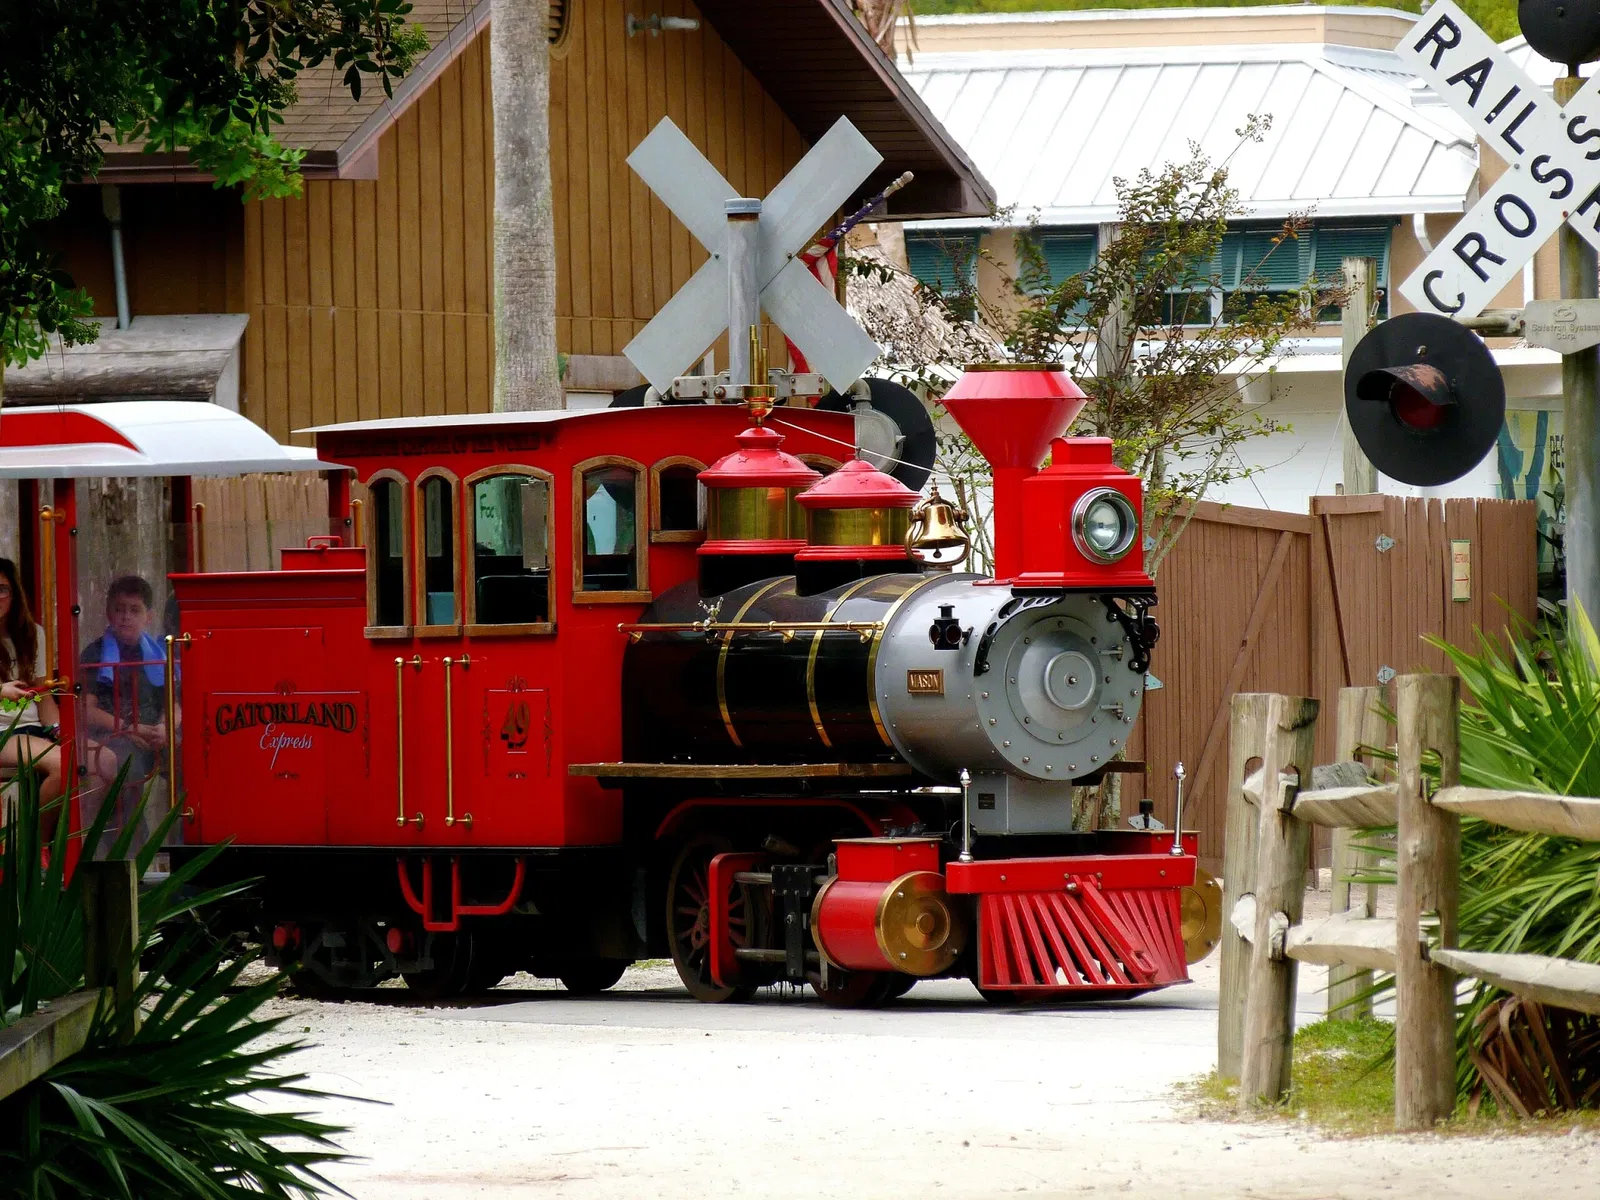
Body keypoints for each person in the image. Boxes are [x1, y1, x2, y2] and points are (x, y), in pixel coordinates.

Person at [80, 575, 170, 795]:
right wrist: (127, 728)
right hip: (114, 737)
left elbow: (175, 703)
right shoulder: (94, 654)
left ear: (149, 616)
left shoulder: (160, 654)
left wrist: (166, 727)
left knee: (194, 755)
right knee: (127, 763)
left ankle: (184, 828)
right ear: (109, 614)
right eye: (119, 610)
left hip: (157, 735)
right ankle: (134, 829)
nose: (125, 617)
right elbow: (85, 710)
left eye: (134, 610)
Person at [0, 557, 65, 816]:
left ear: (14, 593)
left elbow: (44, 696)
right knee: (63, 763)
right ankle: (40, 848)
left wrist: (61, 731)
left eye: (2, 589)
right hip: (4, 732)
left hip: (35, 730)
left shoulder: (33, 634)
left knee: (102, 761)